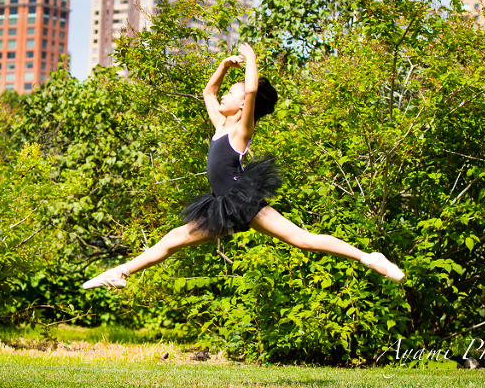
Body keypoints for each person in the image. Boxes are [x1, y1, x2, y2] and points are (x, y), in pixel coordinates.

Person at [82, 44, 404, 290]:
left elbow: (251, 89)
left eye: (232, 92)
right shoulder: (221, 124)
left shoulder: (240, 130)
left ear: (243, 105)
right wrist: (222, 65)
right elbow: (208, 92)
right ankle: (120, 273)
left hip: (240, 199)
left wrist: (251, 58)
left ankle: (369, 258)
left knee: (301, 238)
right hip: (221, 205)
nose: (227, 94)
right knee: (170, 241)